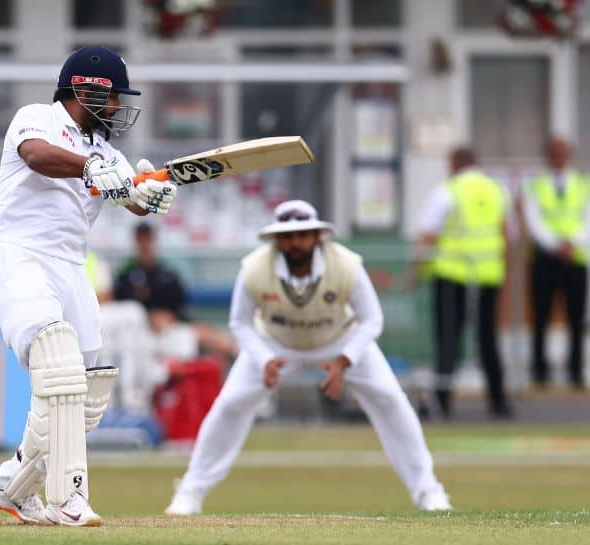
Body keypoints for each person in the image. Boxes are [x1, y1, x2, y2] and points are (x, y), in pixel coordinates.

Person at [0, 45, 178, 526]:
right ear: (88, 90)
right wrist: (91, 169)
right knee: (57, 360)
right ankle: (69, 498)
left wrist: (146, 191)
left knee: (87, 392)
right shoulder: (36, 119)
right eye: (113, 99)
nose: (117, 109)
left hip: (69, 267)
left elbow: (131, 198)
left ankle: (14, 484)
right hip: (16, 252)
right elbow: (36, 156)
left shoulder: (108, 152)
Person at [165, 200, 451, 515]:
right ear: (276, 239)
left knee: (391, 400)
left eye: (303, 234)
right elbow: (240, 323)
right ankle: (190, 493)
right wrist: (263, 359)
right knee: (229, 405)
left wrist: (344, 360)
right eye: (288, 236)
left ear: (317, 236)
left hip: (339, 339)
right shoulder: (254, 268)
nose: (296, 242)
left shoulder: (346, 265)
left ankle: (429, 492)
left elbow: (371, 320)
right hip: (275, 343)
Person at [414, 147, 513, 418]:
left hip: (451, 274)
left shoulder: (449, 190)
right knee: (488, 339)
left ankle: (442, 400)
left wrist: (416, 271)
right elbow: (506, 233)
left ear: (454, 163)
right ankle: (499, 400)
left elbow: (427, 233)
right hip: (488, 274)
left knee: (448, 338)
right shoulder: (496, 190)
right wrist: (503, 273)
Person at [521, 137, 590, 390]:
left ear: (569, 154)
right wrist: (555, 245)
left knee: (575, 318)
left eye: (562, 152)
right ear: (548, 156)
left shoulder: (583, 184)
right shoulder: (536, 184)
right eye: (554, 152)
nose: (559, 157)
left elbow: (587, 217)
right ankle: (539, 371)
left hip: (576, 257)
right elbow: (533, 218)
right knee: (541, 315)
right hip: (546, 259)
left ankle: (575, 372)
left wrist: (573, 242)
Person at [115, 222, 237, 359]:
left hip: (173, 325)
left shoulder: (166, 273)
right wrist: (150, 318)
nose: (145, 245)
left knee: (215, 338)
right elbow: (122, 308)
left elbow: (180, 304)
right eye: (141, 240)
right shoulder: (126, 275)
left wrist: (169, 317)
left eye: (148, 240)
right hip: (142, 332)